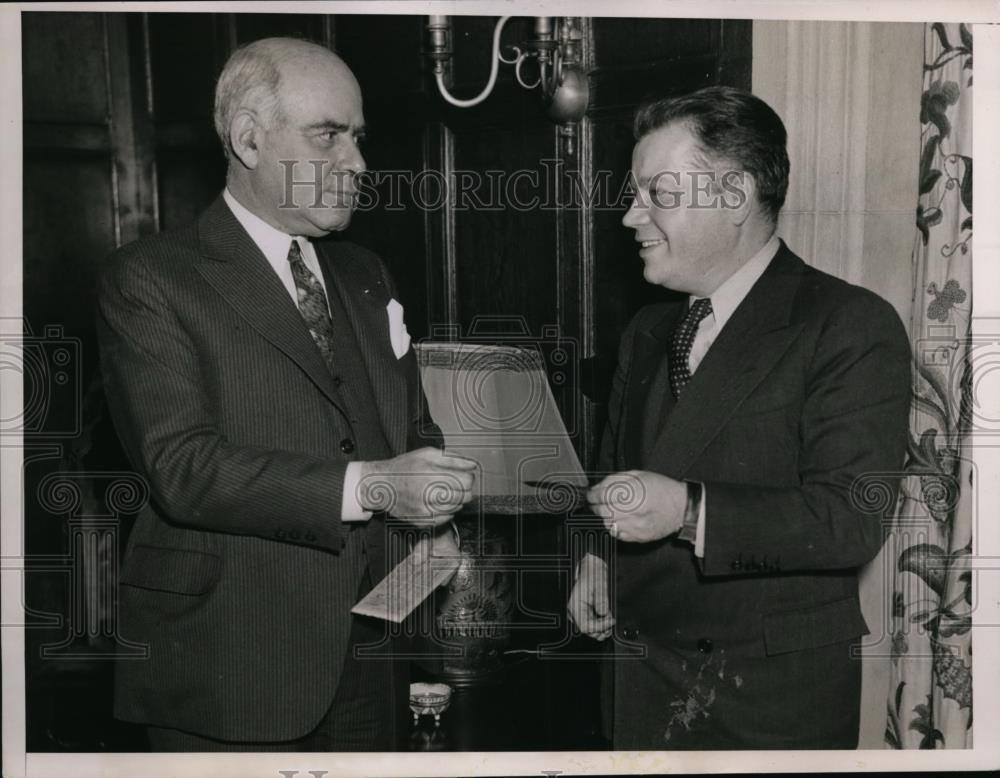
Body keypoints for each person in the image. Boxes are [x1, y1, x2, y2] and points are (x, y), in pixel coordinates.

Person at [97, 37, 475, 752]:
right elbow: (183, 470)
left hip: (372, 654)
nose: (358, 164)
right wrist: (376, 487)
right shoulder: (150, 278)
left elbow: (411, 426)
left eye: (357, 138)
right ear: (247, 137)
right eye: (328, 136)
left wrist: (433, 503)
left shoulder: (366, 272)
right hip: (231, 664)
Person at [568, 86, 911, 749]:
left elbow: (850, 520)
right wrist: (595, 556)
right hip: (636, 690)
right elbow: (613, 469)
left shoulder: (846, 324)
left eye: (656, 195)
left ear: (734, 196)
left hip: (763, 707)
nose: (630, 217)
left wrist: (690, 511)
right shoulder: (646, 330)